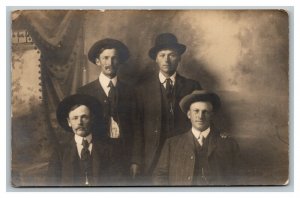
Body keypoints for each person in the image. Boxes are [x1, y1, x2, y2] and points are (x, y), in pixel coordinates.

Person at [131, 33, 202, 183]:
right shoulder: (142, 89)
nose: (167, 60)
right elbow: (136, 127)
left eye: (172, 55)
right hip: (151, 156)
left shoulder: (192, 86)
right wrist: (136, 160)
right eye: (162, 55)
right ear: (156, 58)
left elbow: (201, 119)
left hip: (183, 152)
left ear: (179, 58)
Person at [152, 90, 239, 186]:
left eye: (205, 112)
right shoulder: (171, 144)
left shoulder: (229, 144)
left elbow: (237, 178)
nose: (200, 116)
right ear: (189, 114)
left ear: (211, 115)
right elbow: (159, 176)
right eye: (196, 111)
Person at [77, 38, 134, 182]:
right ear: (98, 61)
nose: (110, 63)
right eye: (105, 58)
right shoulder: (85, 92)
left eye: (114, 58)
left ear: (119, 61)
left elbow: (137, 127)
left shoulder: (131, 91)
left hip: (124, 154)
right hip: (97, 155)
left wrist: (136, 160)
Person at [47, 94, 113, 186]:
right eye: (75, 118)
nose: (79, 122)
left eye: (84, 117)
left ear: (92, 119)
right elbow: (51, 186)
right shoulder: (60, 152)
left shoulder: (108, 148)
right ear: (69, 122)